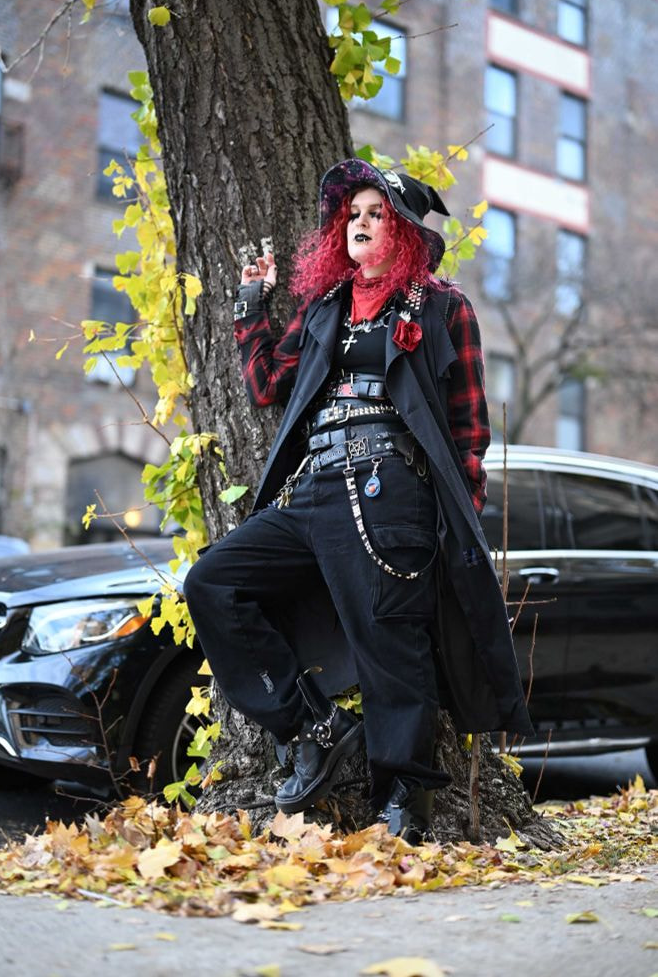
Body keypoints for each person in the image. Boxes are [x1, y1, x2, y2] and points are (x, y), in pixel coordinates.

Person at [184, 158, 532, 845]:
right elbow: (267, 385)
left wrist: (452, 518)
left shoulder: (442, 307)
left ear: (404, 232)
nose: (361, 223)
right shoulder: (326, 308)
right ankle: (312, 726)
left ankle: (404, 800)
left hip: (391, 485)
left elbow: (468, 427)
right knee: (214, 583)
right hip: (314, 485)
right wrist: (251, 304)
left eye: (377, 213)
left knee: (389, 639)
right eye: (353, 214)